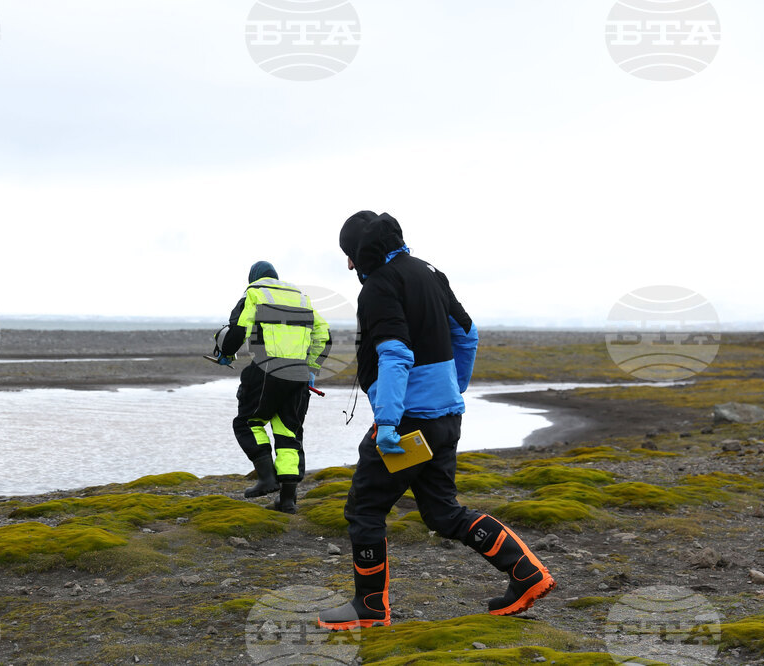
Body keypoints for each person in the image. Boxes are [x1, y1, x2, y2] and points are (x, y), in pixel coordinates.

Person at [317, 212, 555, 630]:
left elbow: (394, 354)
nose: (350, 266)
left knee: (365, 507)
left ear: (360, 251)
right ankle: (526, 573)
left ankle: (370, 607)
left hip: (408, 423)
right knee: (443, 512)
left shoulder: (379, 286)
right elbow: (468, 334)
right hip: (445, 418)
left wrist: (388, 424)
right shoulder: (430, 272)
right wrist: (453, 387)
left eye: (349, 256)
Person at [216, 261, 331, 514]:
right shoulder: (302, 299)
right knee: (289, 433)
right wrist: (311, 368)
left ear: (253, 278)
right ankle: (287, 499)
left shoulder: (254, 293)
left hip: (267, 370)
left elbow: (238, 329)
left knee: (248, 422)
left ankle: (267, 478)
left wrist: (225, 353)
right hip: (299, 374)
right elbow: (324, 336)